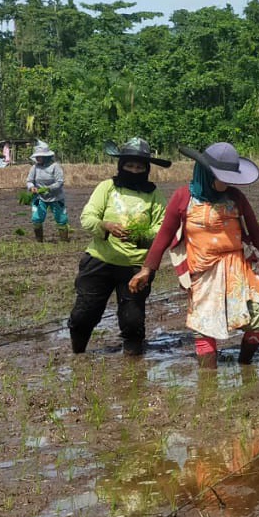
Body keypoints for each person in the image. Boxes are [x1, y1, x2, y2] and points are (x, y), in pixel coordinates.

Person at [130, 142, 259, 369]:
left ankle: (245, 365)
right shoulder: (183, 197)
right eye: (223, 177)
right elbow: (164, 235)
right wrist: (147, 269)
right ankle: (208, 379)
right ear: (207, 173)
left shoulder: (236, 197)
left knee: (258, 320)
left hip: (238, 270)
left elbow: (257, 233)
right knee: (204, 326)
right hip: (203, 273)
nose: (228, 183)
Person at [68, 138, 171, 355]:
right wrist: (105, 226)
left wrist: (140, 236)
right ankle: (77, 356)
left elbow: (163, 229)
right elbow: (88, 217)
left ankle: (134, 364)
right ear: (121, 165)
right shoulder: (107, 187)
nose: (134, 170)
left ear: (147, 169)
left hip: (135, 267)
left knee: (132, 321)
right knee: (83, 315)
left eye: (139, 167)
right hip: (100, 260)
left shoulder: (154, 195)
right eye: (129, 165)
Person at [26, 141, 70, 243]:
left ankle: (64, 241)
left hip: (56, 197)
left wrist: (48, 188)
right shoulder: (35, 167)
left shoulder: (55, 166)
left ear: (46, 156)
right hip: (40, 197)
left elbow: (60, 182)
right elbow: (29, 181)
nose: (37, 158)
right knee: (36, 218)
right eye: (37, 156)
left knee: (61, 219)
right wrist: (31, 187)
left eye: (40, 156)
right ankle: (39, 241)